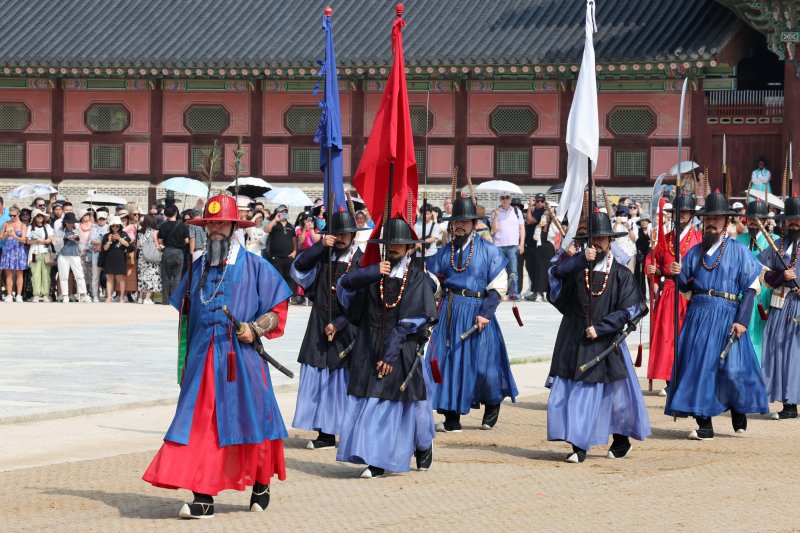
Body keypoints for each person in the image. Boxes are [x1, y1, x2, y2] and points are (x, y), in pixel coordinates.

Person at [143, 194, 292, 518]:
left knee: (251, 422)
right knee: (199, 426)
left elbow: (278, 312)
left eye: (221, 224)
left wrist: (254, 328)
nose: (215, 231)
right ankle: (203, 496)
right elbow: (185, 317)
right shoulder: (197, 268)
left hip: (242, 361)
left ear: (234, 227)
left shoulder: (255, 266)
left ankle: (261, 482)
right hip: (203, 361)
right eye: (210, 225)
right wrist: (184, 362)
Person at [335, 217, 438, 478]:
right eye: (389, 242)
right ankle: (376, 458)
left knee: (415, 410)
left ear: (409, 248)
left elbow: (409, 322)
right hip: (369, 346)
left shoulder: (416, 277)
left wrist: (391, 354)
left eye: (399, 243)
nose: (393, 247)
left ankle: (423, 445)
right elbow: (345, 288)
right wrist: (371, 272)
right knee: (375, 402)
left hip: (402, 348)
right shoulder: (374, 274)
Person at [546, 211, 650, 463]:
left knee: (615, 398)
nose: (598, 243)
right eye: (593, 239)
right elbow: (555, 277)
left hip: (605, 340)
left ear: (610, 241)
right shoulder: (576, 266)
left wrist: (602, 328)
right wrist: (579, 260)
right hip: (573, 337)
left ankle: (621, 439)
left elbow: (631, 310)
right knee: (573, 392)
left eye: (602, 239)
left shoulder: (621, 274)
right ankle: (579, 444)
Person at [665, 191, 769, 440]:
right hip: (699, 315)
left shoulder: (739, 251)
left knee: (732, 369)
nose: (711, 222)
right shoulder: (693, 252)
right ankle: (704, 423)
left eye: (716, 218)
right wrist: (676, 272)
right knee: (699, 369)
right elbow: (685, 286)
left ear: (726, 221)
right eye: (707, 218)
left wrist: (742, 320)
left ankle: (737, 407)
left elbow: (751, 288)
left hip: (728, 314)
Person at [426, 198, 518, 432]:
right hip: (449, 311)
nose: (459, 226)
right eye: (456, 221)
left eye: (464, 221)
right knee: (447, 364)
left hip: (478, 311)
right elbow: (434, 282)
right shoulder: (445, 251)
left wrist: (486, 312)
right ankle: (451, 416)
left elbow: (498, 286)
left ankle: (492, 403)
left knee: (483, 366)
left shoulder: (489, 250)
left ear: (473, 224)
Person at [290, 210, 366, 449]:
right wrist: (320, 247)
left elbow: (362, 299)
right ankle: (324, 433)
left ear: (353, 235)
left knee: (340, 379)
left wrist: (340, 323)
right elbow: (299, 267)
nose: (341, 238)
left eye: (345, 233)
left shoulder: (360, 260)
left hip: (347, 326)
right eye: (336, 233)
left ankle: (344, 429)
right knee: (319, 374)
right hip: (319, 321)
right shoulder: (324, 255)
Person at [645, 195, 701, 395]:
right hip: (668, 292)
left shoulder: (699, 239)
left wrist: (686, 274)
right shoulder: (665, 238)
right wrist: (653, 269)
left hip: (689, 294)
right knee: (668, 337)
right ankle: (670, 380)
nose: (681, 216)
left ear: (692, 215)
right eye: (677, 212)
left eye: (685, 212)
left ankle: (686, 379)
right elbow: (656, 261)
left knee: (686, 337)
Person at [759, 195, 800, 419]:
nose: (793, 223)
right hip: (781, 304)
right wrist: (780, 275)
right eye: (790, 219)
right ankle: (788, 404)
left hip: (799, 307)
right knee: (780, 353)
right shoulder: (779, 245)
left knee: (796, 355)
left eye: (797, 219)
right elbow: (762, 273)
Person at [735, 200, 776, 364]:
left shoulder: (774, 241)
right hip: (742, 294)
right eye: (751, 218)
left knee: (761, 337)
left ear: (765, 221)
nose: (753, 222)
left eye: (758, 219)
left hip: (765, 296)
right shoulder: (739, 240)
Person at [490, 194, 525, 300]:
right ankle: (498, 294)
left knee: (513, 271)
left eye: (507, 198)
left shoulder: (516, 211)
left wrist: (522, 243)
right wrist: (496, 216)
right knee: (498, 271)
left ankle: (514, 294)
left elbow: (522, 228)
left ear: (510, 199)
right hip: (498, 245)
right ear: (500, 199)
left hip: (513, 245)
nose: (505, 200)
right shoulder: (494, 212)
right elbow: (494, 231)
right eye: (502, 198)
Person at [264, 204, 297, 302]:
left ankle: (289, 297)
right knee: (276, 277)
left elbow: (294, 240)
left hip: (288, 256)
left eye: (285, 212)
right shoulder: (274, 224)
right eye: (281, 212)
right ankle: (276, 297)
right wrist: (275, 219)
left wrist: (295, 251)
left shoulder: (291, 226)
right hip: (275, 257)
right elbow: (266, 229)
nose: (284, 214)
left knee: (289, 277)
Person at [54, 212, 90, 303]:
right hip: (63, 255)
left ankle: (83, 294)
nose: (70, 224)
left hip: (75, 255)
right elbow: (55, 243)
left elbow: (82, 245)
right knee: (63, 276)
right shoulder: (59, 231)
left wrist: (77, 239)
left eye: (72, 222)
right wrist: (65, 239)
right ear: (65, 222)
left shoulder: (77, 231)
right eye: (68, 222)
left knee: (80, 275)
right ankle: (65, 295)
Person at [158, 205, 189, 303]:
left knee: (166, 276)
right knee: (177, 277)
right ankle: (175, 300)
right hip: (179, 252)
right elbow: (187, 241)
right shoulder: (182, 226)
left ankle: (165, 300)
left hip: (167, 251)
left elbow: (159, 240)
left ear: (166, 214)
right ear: (176, 213)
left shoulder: (162, 225)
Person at [101, 216, 131, 303]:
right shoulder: (106, 235)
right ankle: (109, 297)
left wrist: (119, 239)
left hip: (121, 257)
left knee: (121, 278)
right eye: (113, 226)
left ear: (120, 226)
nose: (115, 228)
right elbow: (105, 248)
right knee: (109, 278)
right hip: (109, 258)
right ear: (110, 226)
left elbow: (128, 245)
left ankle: (121, 297)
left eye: (117, 226)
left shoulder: (124, 234)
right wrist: (109, 240)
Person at [1, 206, 27, 302]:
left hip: (19, 250)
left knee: (20, 272)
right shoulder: (5, 224)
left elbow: (23, 239)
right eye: (10, 215)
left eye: (14, 215)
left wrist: (14, 235)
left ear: (18, 214)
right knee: (8, 273)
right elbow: (0, 238)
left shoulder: (22, 225)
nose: (11, 217)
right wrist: (5, 235)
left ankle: (19, 295)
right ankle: (9, 294)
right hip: (8, 250)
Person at [26, 208, 53, 303]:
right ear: (34, 217)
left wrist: (44, 241)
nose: (40, 217)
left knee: (46, 274)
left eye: (41, 215)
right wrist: (36, 241)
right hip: (34, 253)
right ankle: (36, 294)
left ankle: (45, 294)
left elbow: (50, 239)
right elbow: (28, 241)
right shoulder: (30, 228)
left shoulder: (48, 226)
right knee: (35, 274)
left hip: (46, 252)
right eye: (38, 215)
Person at [137, 214, 162, 305]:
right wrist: (160, 248)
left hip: (142, 256)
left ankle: (140, 297)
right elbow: (157, 244)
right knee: (152, 277)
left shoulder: (140, 232)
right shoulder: (154, 232)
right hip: (151, 257)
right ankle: (147, 299)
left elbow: (138, 245)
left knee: (142, 277)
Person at [412, 204, 443, 270]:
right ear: (421, 214)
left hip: (432, 253)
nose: (426, 216)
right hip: (419, 254)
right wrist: (419, 245)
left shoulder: (434, 225)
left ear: (431, 213)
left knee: (432, 273)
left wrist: (421, 242)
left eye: (428, 214)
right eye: (424, 214)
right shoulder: (416, 225)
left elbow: (433, 238)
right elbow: (415, 238)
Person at [89, 211, 109, 302]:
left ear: (106, 219)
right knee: (95, 276)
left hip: (106, 254)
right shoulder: (93, 227)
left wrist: (101, 244)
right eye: (100, 219)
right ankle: (95, 295)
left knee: (109, 276)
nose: (101, 220)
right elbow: (92, 241)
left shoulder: (109, 228)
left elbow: (109, 240)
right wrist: (103, 243)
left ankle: (109, 295)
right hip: (96, 254)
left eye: (103, 219)